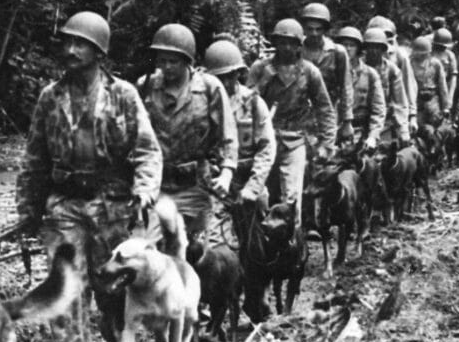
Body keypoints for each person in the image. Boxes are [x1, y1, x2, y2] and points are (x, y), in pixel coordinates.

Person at [16, 12, 162, 342]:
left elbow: (147, 149)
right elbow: (34, 156)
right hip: (64, 204)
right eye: (67, 42)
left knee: (109, 285)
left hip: (110, 203)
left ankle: (115, 333)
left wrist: (145, 190)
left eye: (80, 43)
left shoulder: (123, 95)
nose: (71, 50)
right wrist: (28, 209)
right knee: (66, 281)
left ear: (99, 51)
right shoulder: (51, 97)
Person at [138, 24, 238, 246]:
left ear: (187, 61)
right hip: (158, 185)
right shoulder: (147, 87)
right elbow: (135, 138)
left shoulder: (209, 88)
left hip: (195, 186)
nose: (166, 67)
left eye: (172, 61)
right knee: (151, 250)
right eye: (161, 61)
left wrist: (227, 173)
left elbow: (227, 135)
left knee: (199, 255)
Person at [249, 18, 337, 221]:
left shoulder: (309, 71)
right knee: (260, 195)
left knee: (292, 197)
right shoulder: (260, 68)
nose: (286, 47)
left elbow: (324, 108)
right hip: (264, 140)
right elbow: (245, 105)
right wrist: (263, 82)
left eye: (291, 43)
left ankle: (293, 242)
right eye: (282, 42)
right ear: (275, 43)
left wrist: (327, 143)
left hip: (294, 140)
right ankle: (263, 243)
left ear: (299, 45)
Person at [202, 39, 275, 205]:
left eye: (230, 76)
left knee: (261, 214)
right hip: (215, 181)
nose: (226, 83)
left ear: (239, 73)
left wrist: (253, 187)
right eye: (220, 78)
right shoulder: (202, 104)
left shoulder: (253, 103)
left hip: (247, 178)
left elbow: (267, 149)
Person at [300, 3, 354, 145]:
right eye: (310, 29)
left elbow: (346, 87)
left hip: (329, 113)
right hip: (301, 115)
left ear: (325, 29)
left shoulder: (337, 52)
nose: (314, 33)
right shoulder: (296, 50)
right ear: (304, 28)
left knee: (328, 155)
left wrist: (347, 121)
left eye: (318, 29)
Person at [335, 26, 386, 153]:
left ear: (358, 48)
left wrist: (373, 136)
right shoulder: (331, 72)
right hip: (333, 129)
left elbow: (378, 109)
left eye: (351, 45)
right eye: (344, 45)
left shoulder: (370, 74)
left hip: (360, 131)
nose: (347, 49)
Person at [368, 15, 418, 136]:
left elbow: (408, 86)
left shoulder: (399, 56)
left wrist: (412, 116)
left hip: (391, 111)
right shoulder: (363, 55)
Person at [361, 27, 410, 148]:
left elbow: (400, 102)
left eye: (377, 47)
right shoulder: (358, 67)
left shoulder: (392, 70)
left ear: (383, 49)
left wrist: (404, 130)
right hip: (360, 120)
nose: (373, 51)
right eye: (370, 46)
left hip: (384, 122)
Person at [410, 35, 450, 127]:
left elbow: (442, 85)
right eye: (419, 53)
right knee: (419, 127)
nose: (421, 55)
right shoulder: (410, 64)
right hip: (417, 100)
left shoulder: (435, 64)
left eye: (424, 53)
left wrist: (445, 107)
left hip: (433, 100)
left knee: (436, 124)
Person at [432, 26, 458, 108]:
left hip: (446, 87)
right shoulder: (430, 53)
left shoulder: (450, 55)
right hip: (433, 88)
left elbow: (453, 77)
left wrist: (450, 97)